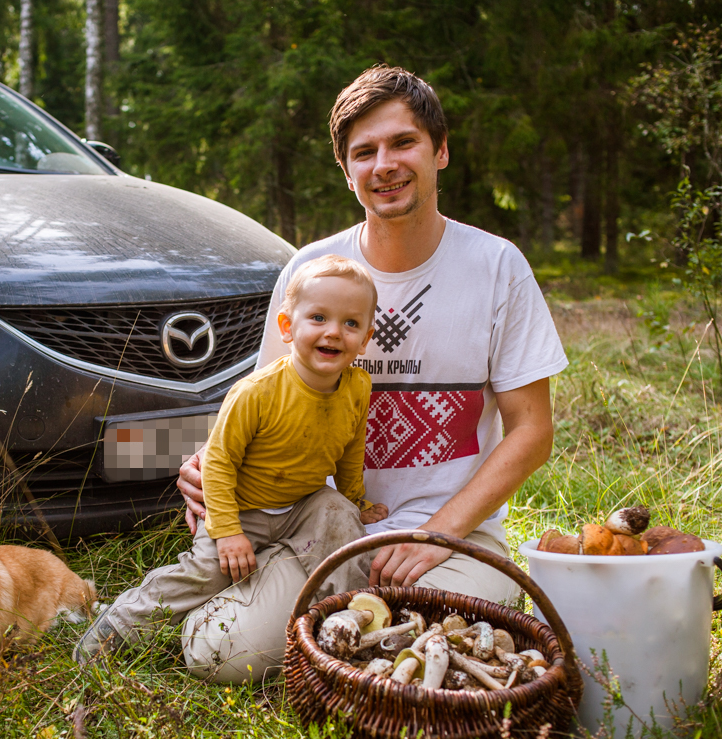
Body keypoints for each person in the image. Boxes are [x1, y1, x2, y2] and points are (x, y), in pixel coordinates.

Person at [174, 65, 568, 683]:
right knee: (216, 652)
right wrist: (208, 462)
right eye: (364, 152)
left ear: (440, 151)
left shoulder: (497, 267)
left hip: (452, 535)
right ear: (347, 169)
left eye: (402, 143)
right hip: (321, 525)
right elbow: (262, 405)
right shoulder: (310, 270)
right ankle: (322, 628)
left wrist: (435, 535)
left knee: (446, 648)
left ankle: (345, 641)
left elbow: (531, 431)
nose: (383, 164)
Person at [73, 255, 390, 664]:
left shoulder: (357, 386)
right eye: (318, 318)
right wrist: (227, 531)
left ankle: (344, 623)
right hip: (242, 507)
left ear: (365, 338)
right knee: (208, 570)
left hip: (304, 502)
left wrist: (354, 499)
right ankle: (121, 624)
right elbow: (219, 463)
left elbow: (350, 448)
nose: (334, 332)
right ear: (287, 327)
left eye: (350, 323)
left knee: (345, 525)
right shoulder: (256, 392)